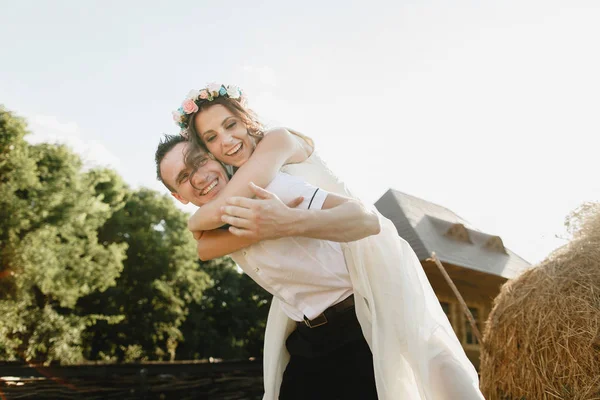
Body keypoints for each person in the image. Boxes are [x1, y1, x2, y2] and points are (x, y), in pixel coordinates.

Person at [173, 84, 485, 399]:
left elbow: (221, 211)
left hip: (367, 249)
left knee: (423, 360)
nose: (226, 140)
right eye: (211, 137)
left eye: (231, 125)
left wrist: (195, 220)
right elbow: (205, 247)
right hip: (318, 295)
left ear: (246, 119)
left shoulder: (276, 141)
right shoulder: (238, 179)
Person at [155, 134, 381, 399]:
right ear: (178, 196)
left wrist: (289, 220)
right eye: (183, 177)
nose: (199, 177)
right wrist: (259, 229)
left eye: (200, 161)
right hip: (307, 337)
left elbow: (367, 220)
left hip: (356, 327)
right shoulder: (214, 227)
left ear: (215, 157)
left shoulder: (274, 186)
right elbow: (202, 249)